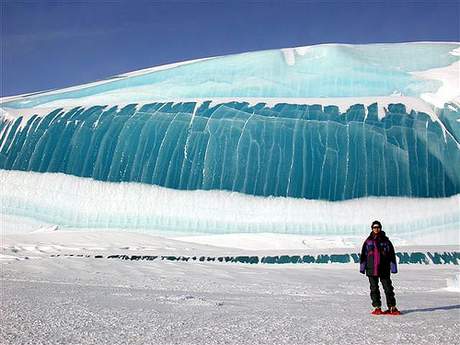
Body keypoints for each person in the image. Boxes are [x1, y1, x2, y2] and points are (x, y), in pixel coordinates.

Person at [360, 220, 400, 315]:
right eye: (374, 227)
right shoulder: (368, 241)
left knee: (388, 288)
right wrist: (362, 268)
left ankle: (392, 307)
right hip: (371, 269)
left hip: (384, 269)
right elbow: (363, 255)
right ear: (372, 228)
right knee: (374, 289)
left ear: (380, 228)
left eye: (378, 227)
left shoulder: (386, 241)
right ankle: (377, 307)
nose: (376, 229)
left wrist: (393, 268)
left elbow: (391, 255)